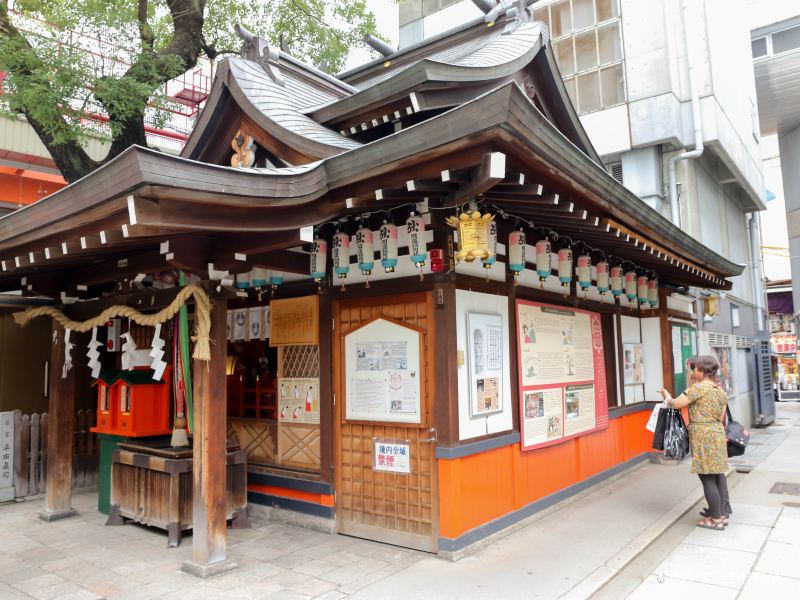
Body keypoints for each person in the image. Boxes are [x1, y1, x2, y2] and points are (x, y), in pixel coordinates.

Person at [659, 354, 729, 530]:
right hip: (717, 433)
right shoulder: (719, 389)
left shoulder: (698, 388)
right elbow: (721, 416)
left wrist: (667, 396)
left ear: (702, 370)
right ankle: (721, 514)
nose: (693, 372)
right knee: (717, 475)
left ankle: (716, 520)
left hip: (703, 435)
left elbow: (676, 404)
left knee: (707, 479)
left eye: (695, 368)